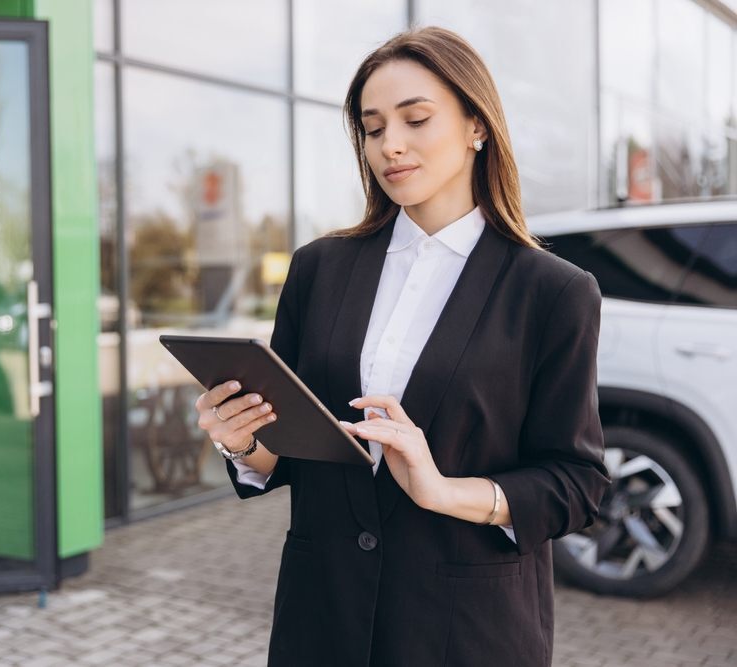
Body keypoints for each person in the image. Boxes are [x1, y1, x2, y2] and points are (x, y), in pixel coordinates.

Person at [193, 26, 608, 667]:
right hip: (322, 618)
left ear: (477, 126)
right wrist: (244, 440)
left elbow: (575, 483)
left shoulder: (553, 292)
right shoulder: (318, 268)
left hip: (467, 632)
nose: (391, 145)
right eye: (373, 126)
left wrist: (442, 489)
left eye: (415, 119)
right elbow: (294, 451)